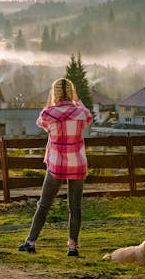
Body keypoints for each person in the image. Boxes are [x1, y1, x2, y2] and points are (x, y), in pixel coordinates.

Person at [18, 78, 93, 256]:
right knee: (75, 207)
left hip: (57, 164)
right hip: (77, 163)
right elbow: (88, 116)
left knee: (43, 205)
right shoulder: (81, 113)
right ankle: (73, 247)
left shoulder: (48, 114)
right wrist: (76, 100)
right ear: (72, 92)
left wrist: (52, 102)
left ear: (55, 93)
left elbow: (41, 123)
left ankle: (31, 242)